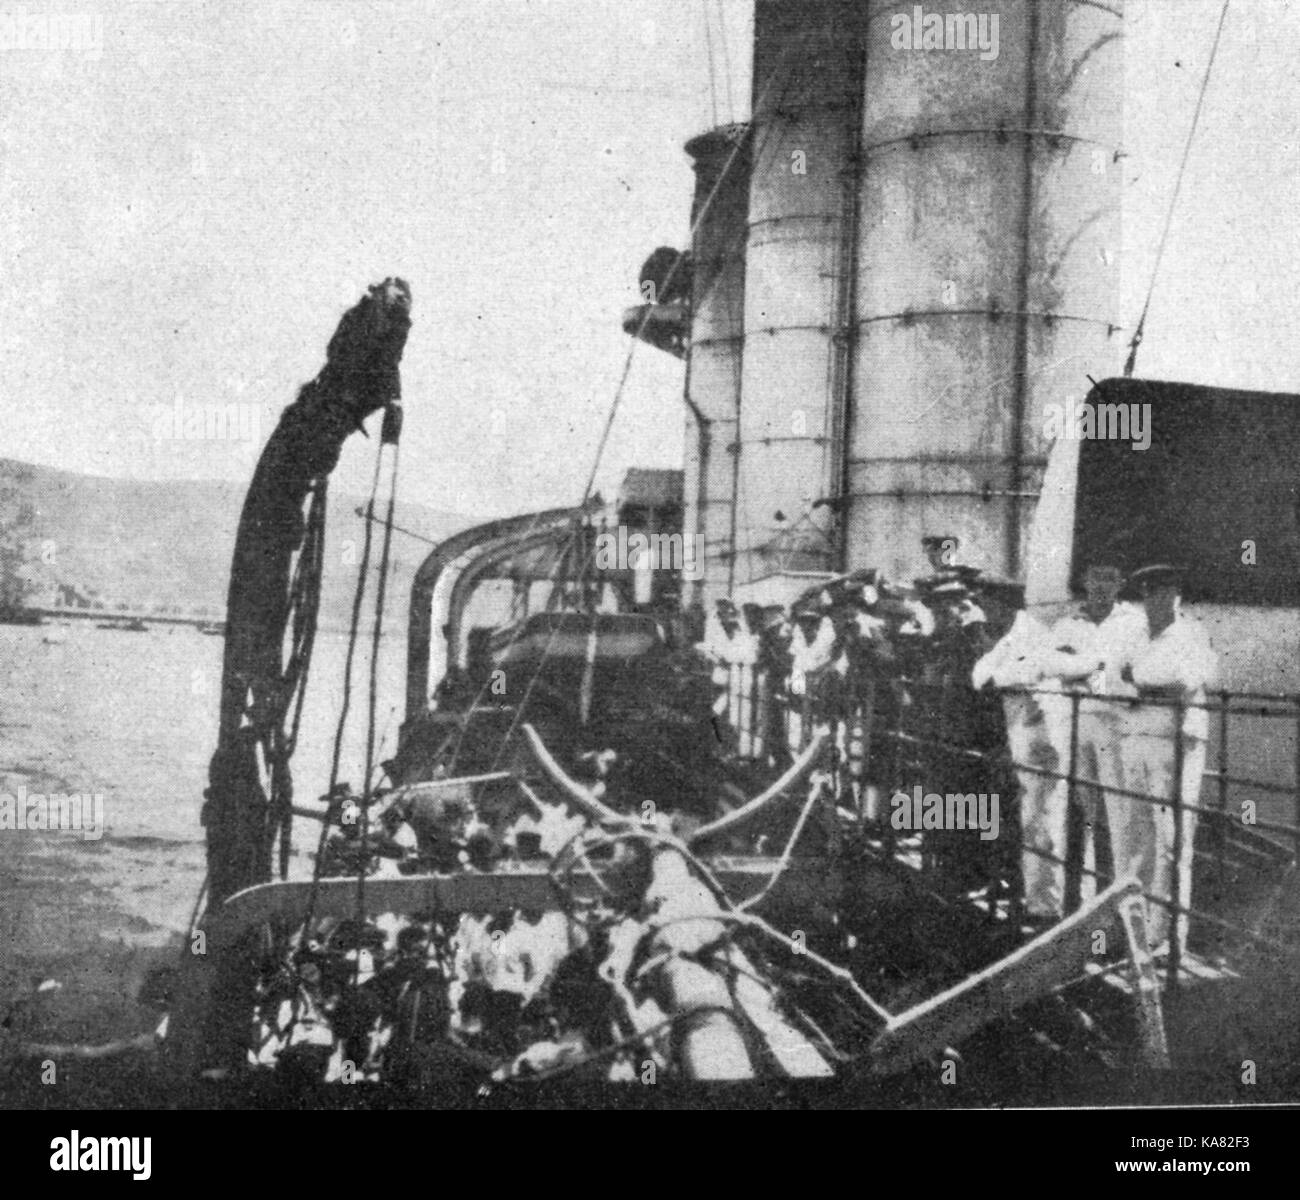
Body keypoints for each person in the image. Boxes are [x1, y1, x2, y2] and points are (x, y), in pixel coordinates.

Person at [1118, 563, 1217, 958]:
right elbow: (1112, 677)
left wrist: (1136, 679)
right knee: (1137, 838)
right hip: (1138, 738)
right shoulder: (1136, 634)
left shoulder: (1193, 635)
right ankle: (1137, 930)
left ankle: (1167, 937)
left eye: (1166, 591)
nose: (1157, 599)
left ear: (1178, 594)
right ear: (1142, 596)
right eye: (1150, 592)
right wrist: (1141, 681)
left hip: (1176, 742)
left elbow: (1183, 679)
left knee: (1171, 841)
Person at [971, 581, 1072, 925]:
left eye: (990, 607)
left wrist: (1000, 676)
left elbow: (1028, 672)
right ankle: (1036, 899)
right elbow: (978, 675)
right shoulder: (1009, 638)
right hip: (1023, 736)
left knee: (1043, 823)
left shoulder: (1034, 636)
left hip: (1043, 738)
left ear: (1007, 606)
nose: (986, 615)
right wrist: (1001, 675)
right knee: (1030, 822)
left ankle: (1047, 908)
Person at [1047, 558, 1147, 896]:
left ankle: (1110, 894)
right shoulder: (1067, 625)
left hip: (1117, 726)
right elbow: (1058, 669)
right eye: (1096, 577)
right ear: (1084, 581)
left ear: (1120, 583)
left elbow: (1135, 677)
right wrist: (1102, 673)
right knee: (1077, 808)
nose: (1103, 585)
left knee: (1115, 813)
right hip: (1075, 723)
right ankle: (1070, 896)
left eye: (1110, 578)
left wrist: (1089, 674)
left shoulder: (1135, 623)